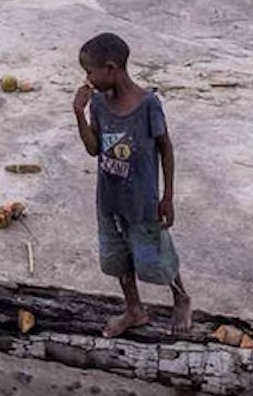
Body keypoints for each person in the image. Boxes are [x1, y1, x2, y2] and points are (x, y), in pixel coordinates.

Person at [73, 31, 193, 338]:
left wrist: (167, 196)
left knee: (157, 254)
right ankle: (134, 309)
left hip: (142, 201)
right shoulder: (98, 103)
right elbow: (93, 148)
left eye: (90, 71)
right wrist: (79, 114)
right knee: (119, 258)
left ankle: (181, 298)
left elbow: (165, 147)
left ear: (111, 69)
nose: (87, 78)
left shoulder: (148, 104)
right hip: (110, 199)